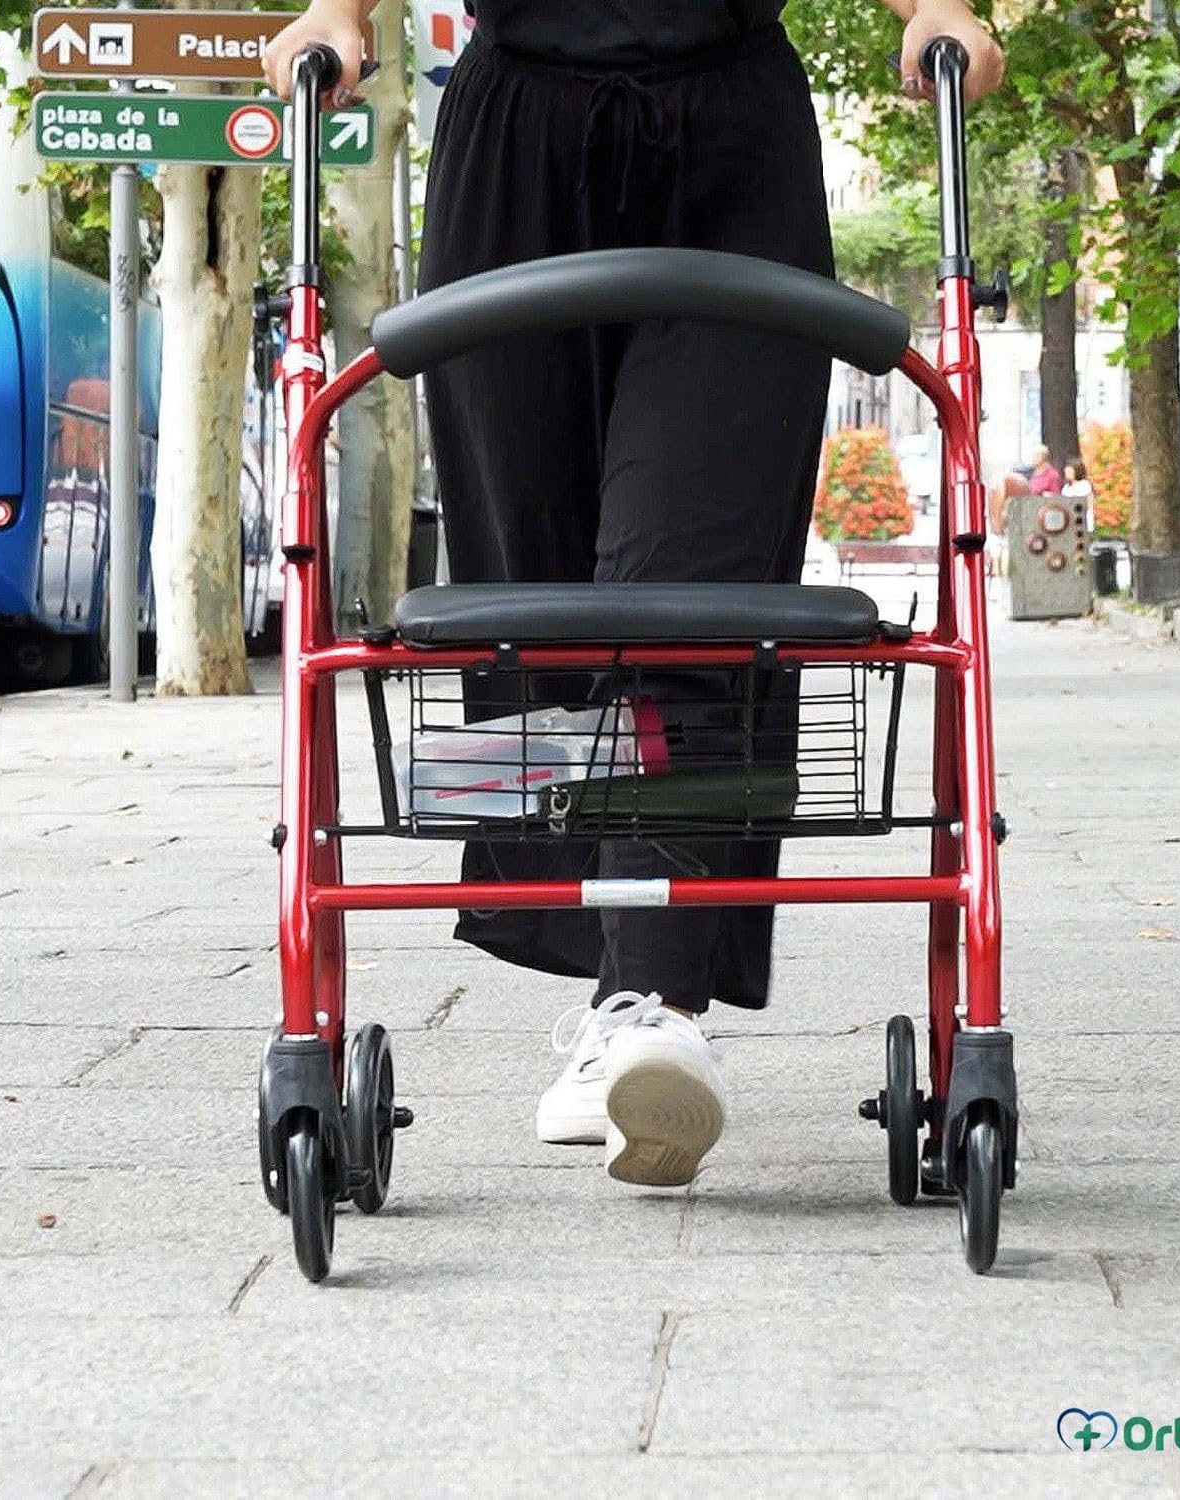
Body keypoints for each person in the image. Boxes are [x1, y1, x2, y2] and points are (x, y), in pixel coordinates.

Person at [265, 0, 1005, 1189]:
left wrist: (938, 12)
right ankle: (611, 981)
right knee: (527, 593)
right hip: (512, 137)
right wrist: (341, 15)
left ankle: (653, 1006)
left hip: (733, 134)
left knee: (692, 583)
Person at [1062, 457, 1094, 528]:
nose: (1067, 474)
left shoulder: (1084, 485)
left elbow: (1084, 504)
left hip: (1083, 519)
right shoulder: (1066, 488)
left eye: (1069, 471)